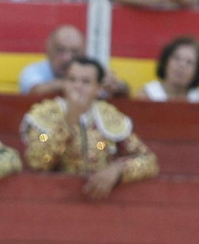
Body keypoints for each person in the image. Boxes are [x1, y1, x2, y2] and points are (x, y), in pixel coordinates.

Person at [23, 56, 159, 199]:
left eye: (86, 82)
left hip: (101, 203)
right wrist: (68, 121)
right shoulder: (45, 115)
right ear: (64, 83)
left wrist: (118, 170)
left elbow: (148, 160)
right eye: (71, 80)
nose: (77, 86)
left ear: (99, 89)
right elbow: (39, 163)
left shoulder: (109, 116)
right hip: (53, 200)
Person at [19, 24, 85, 96]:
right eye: (60, 50)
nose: (67, 58)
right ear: (48, 50)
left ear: (83, 53)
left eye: (74, 52)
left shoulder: (91, 71)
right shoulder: (33, 71)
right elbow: (35, 92)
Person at [141, 35, 199, 101]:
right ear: (165, 62)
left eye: (189, 62)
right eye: (177, 58)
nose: (182, 65)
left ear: (198, 71)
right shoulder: (146, 96)